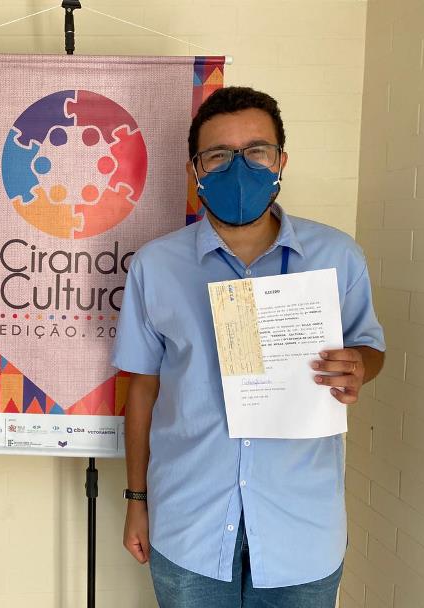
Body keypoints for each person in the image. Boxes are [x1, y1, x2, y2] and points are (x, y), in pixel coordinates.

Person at [112, 86, 385, 608]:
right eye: (218, 155)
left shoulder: (338, 256)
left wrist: (359, 366)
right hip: (188, 524)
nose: (239, 168)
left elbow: (370, 346)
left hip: (301, 529)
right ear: (195, 171)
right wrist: (136, 501)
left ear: (281, 161)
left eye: (256, 151)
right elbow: (142, 390)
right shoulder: (156, 266)